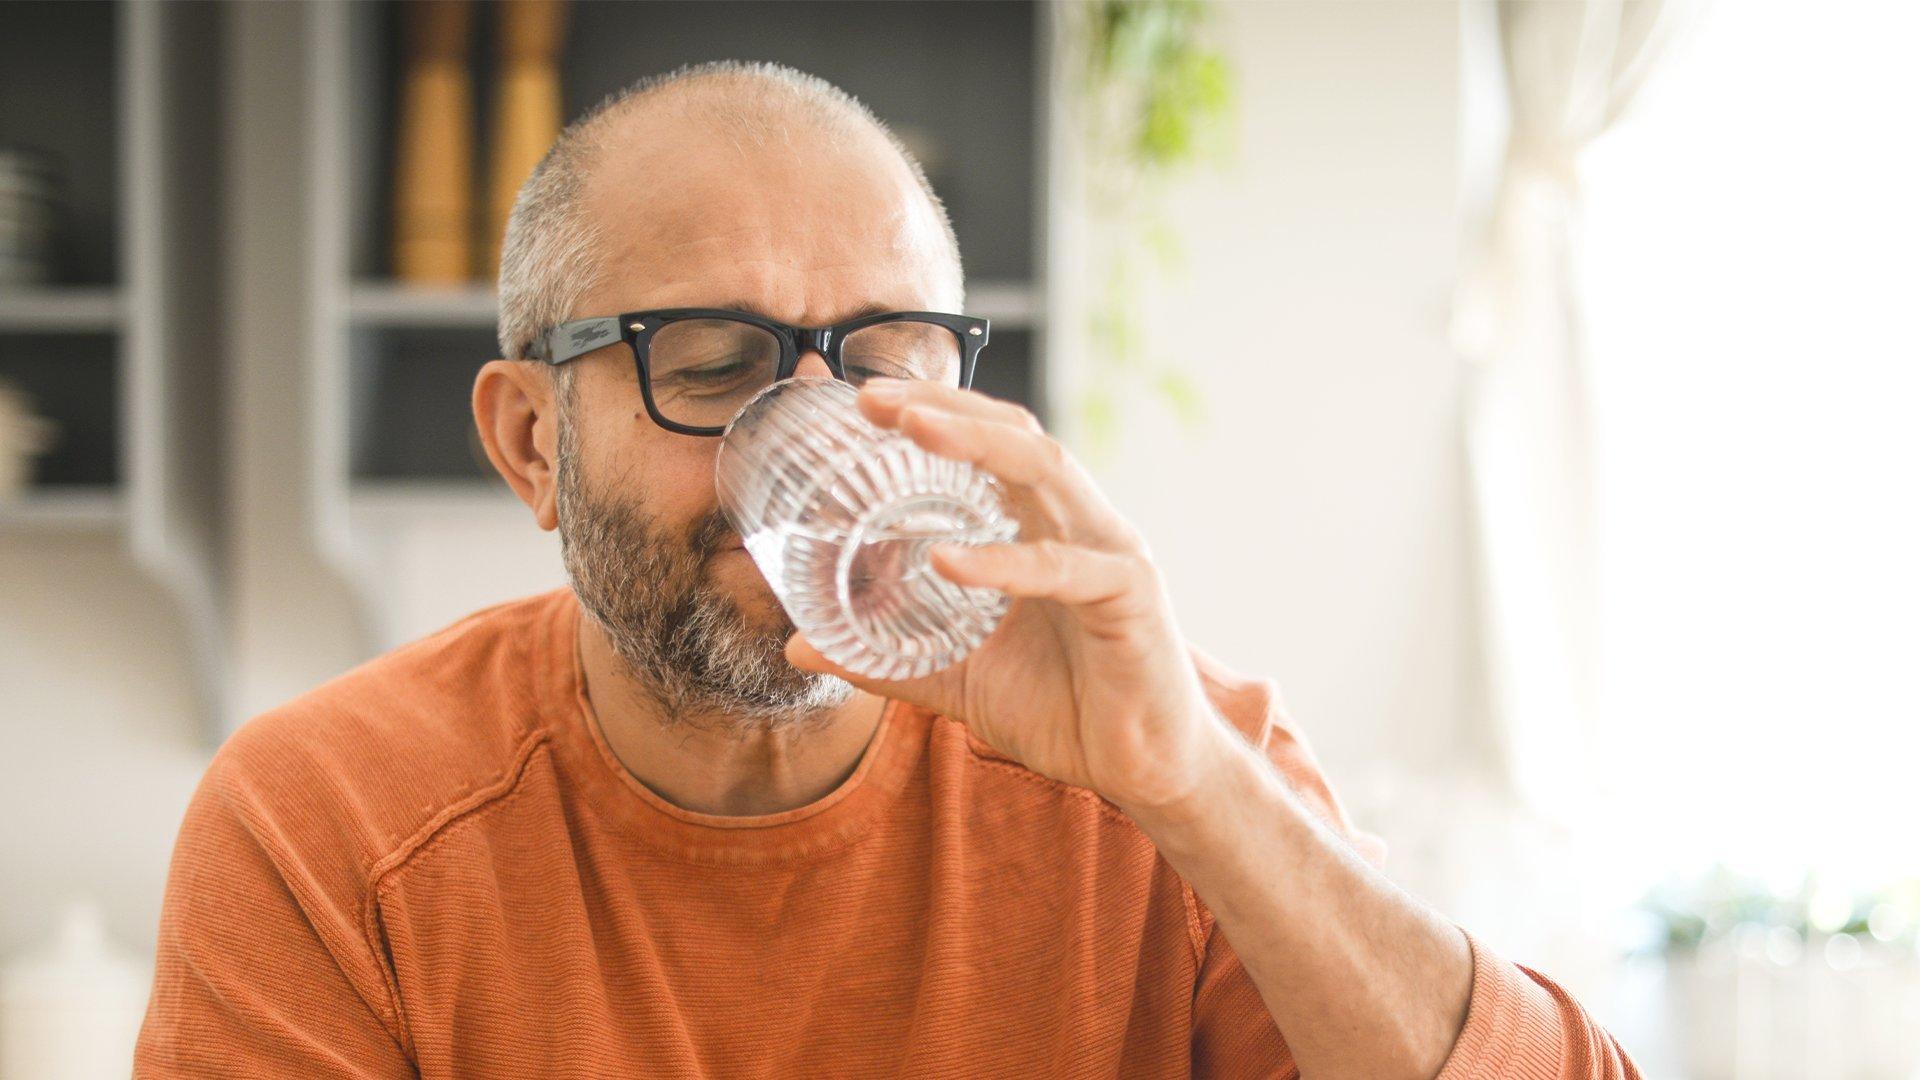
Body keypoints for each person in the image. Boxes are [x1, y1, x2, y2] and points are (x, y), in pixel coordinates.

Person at [134, 61, 1637, 1078]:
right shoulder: (333, 827)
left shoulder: (1164, 764)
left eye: (884, 361)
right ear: (533, 443)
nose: (811, 431)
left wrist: (1191, 790)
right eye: (713, 367)